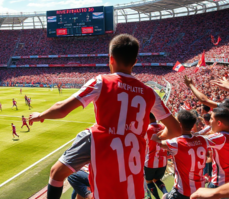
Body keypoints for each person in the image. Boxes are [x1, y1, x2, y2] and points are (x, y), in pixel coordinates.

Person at [29, 34, 181, 199]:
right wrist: (158, 138)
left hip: (104, 146)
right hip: (134, 175)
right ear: (135, 61)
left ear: (110, 59)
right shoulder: (150, 93)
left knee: (57, 171)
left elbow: (62, 109)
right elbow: (175, 129)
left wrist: (40, 115)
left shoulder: (101, 81)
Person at [152, 110, 209, 199]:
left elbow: (155, 140)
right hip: (200, 189)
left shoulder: (176, 143)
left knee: (164, 197)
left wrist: (163, 133)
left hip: (183, 191)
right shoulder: (202, 140)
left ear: (179, 125)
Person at [144, 113, 168, 199]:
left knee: (149, 181)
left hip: (151, 161)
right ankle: (166, 194)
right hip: (163, 161)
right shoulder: (163, 127)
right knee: (157, 179)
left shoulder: (147, 129)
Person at [205, 108, 229, 189]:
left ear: (219, 123)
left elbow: (197, 140)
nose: (210, 122)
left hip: (219, 183)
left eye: (211, 119)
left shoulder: (220, 137)